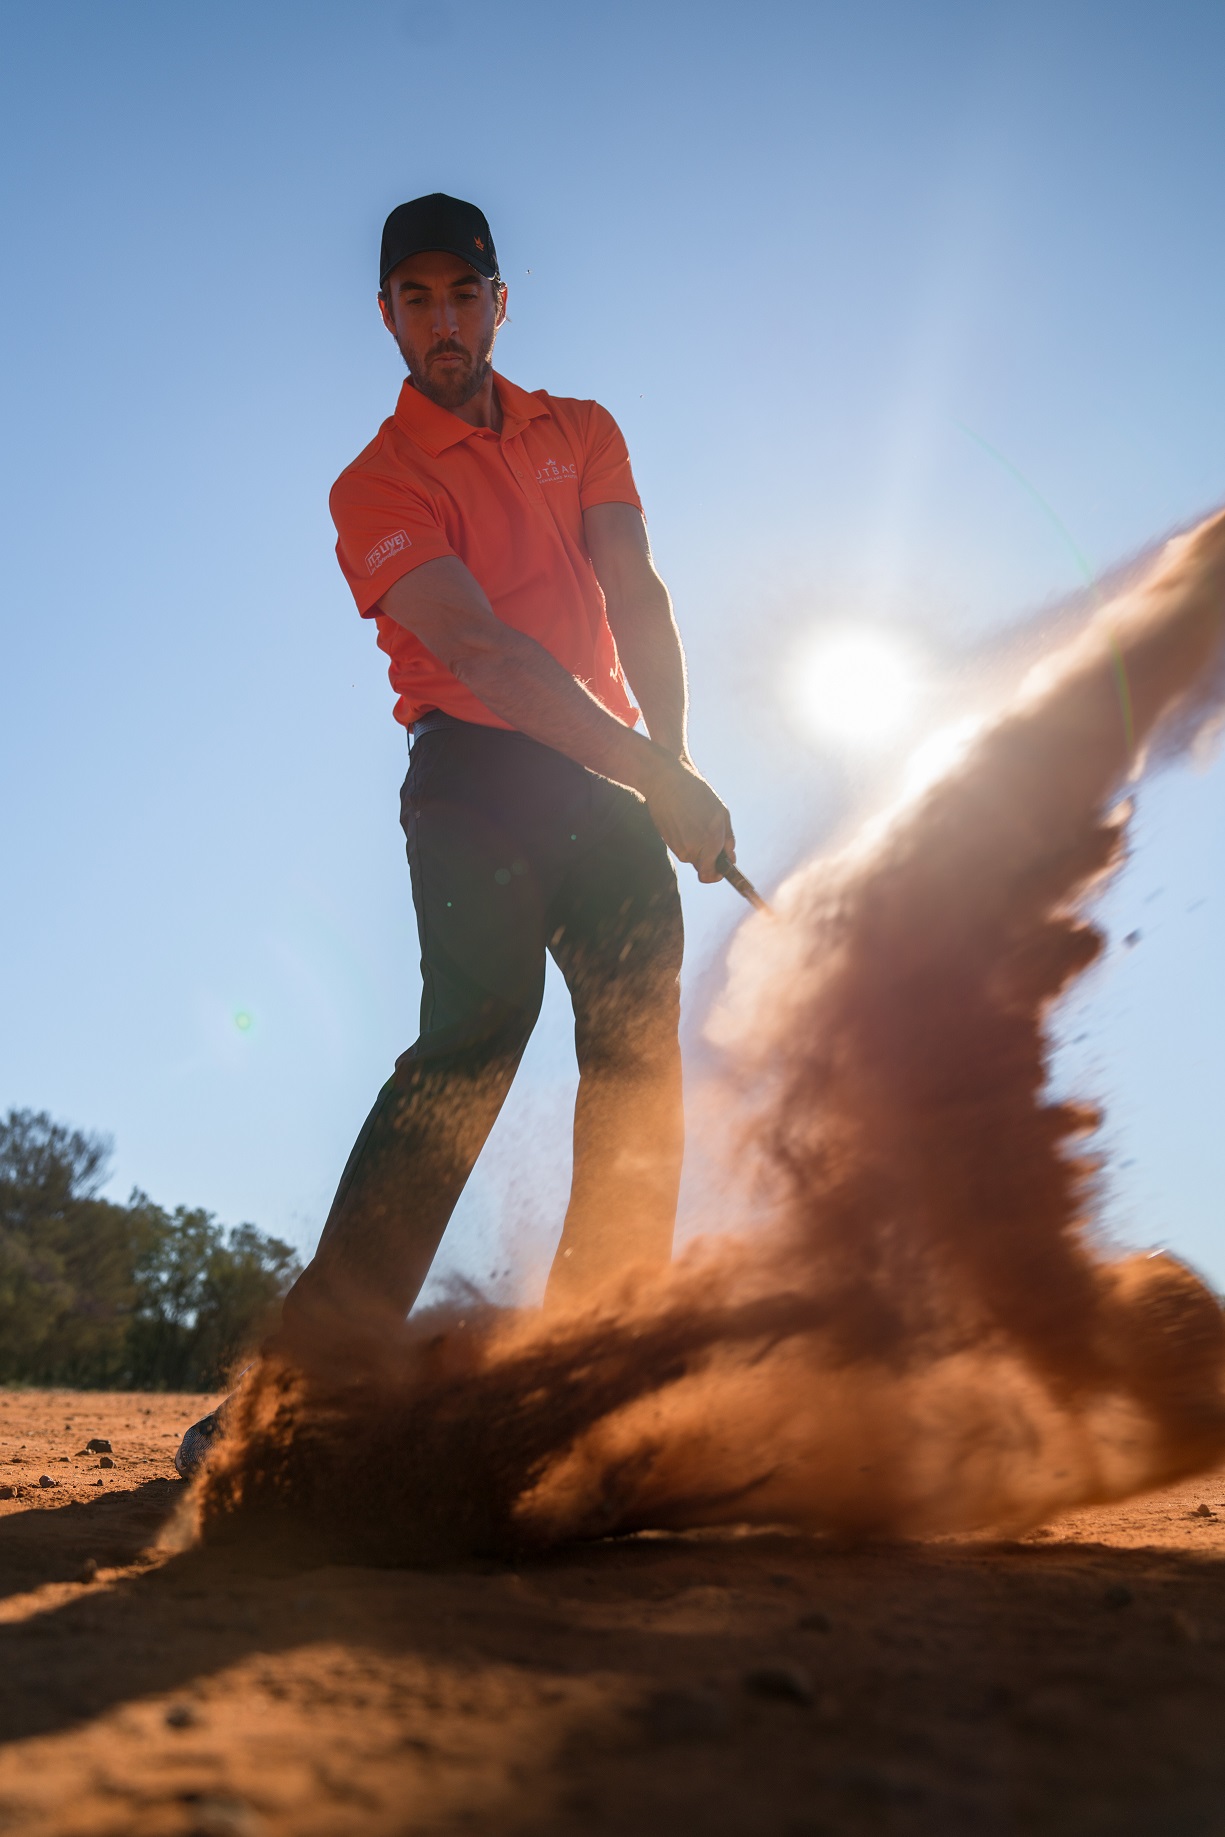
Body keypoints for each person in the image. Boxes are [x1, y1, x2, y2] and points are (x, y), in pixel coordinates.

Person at [176, 192, 733, 1474]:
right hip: (475, 770)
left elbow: (634, 590)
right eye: (414, 298)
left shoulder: (580, 430)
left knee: (639, 1029)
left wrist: (679, 759)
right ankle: (298, 1392)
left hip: (602, 772)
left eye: (462, 293)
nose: (441, 319)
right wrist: (647, 765)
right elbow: (477, 646)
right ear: (385, 316)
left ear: (499, 301)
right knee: (481, 1028)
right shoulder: (373, 481)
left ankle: (594, 1369)